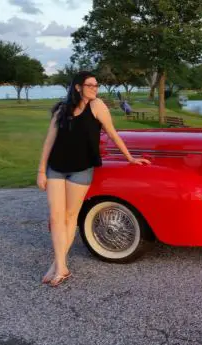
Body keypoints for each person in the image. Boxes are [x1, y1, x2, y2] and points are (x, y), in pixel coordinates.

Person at [36, 71, 151, 287]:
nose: (95, 89)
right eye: (90, 85)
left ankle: (58, 265)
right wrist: (41, 171)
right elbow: (49, 141)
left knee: (70, 217)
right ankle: (61, 265)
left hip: (81, 169)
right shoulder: (62, 109)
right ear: (78, 87)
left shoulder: (97, 106)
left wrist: (130, 158)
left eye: (96, 85)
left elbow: (113, 133)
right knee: (55, 217)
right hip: (56, 168)